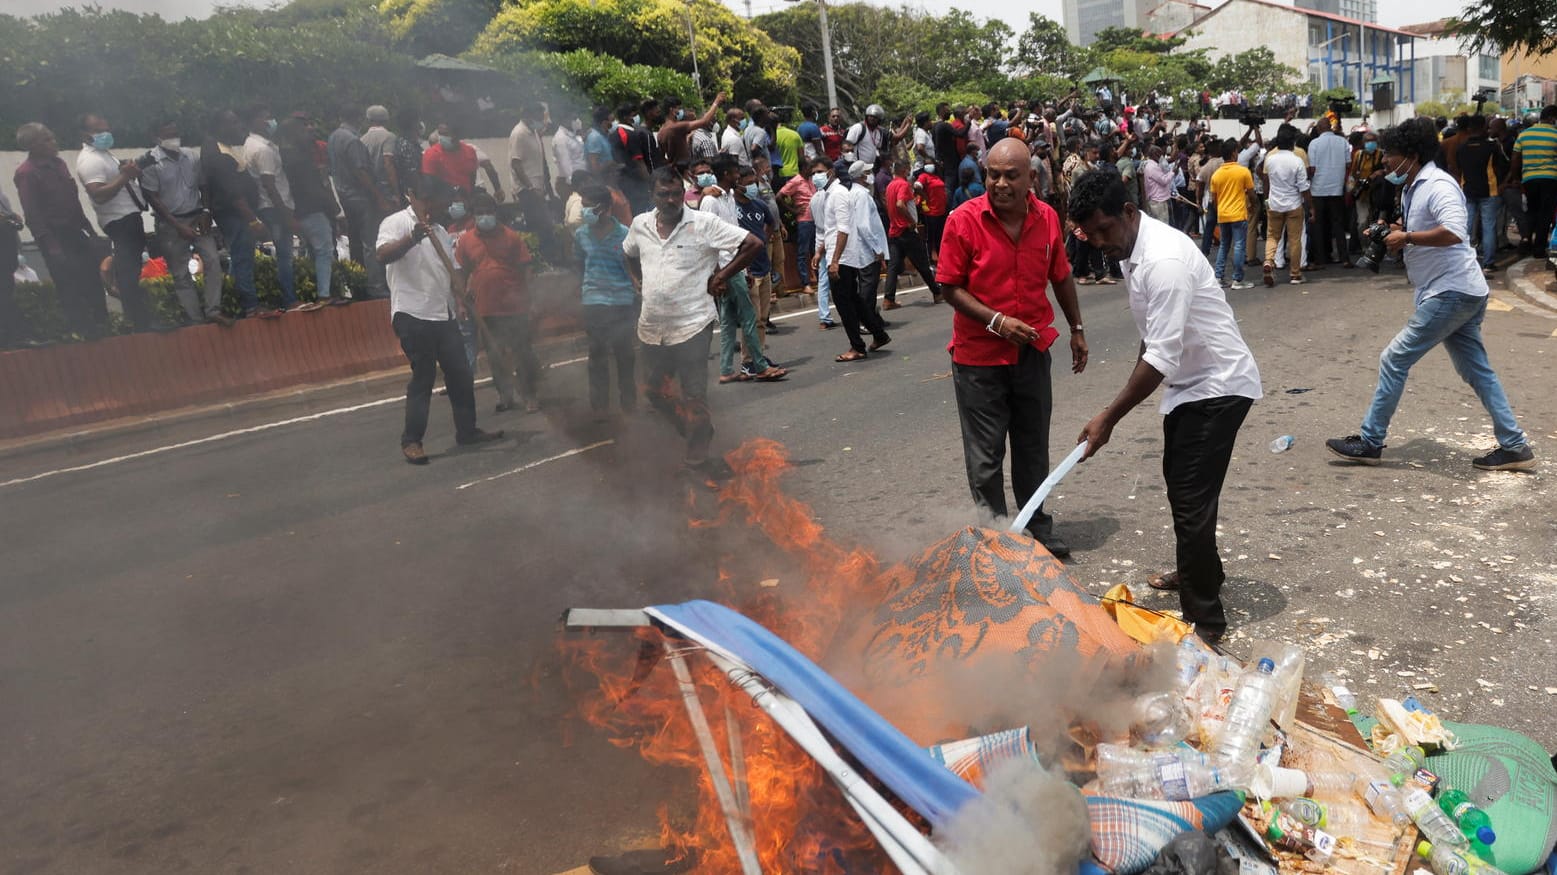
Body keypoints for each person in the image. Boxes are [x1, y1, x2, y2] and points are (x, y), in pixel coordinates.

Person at [1069, 169, 1262, 645]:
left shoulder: (1164, 260)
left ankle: (1206, 623)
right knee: (1183, 487)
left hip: (1217, 385)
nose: (1097, 242)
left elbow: (1160, 354)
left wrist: (1108, 418)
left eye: (1103, 230)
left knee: (1192, 498)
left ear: (1129, 213)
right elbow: (1153, 336)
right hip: (1190, 384)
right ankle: (1201, 574)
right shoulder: (1130, 251)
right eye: (1088, 234)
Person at [1326, 118, 1536, 472]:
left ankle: (1371, 440)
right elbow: (1427, 229)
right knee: (1478, 372)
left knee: (1394, 358)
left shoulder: (1438, 184)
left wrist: (1406, 238)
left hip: (1450, 291)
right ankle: (1514, 445)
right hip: (1459, 289)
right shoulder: (1414, 185)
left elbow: (1454, 231)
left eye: (1390, 154)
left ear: (1410, 154)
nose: (1385, 161)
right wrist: (1393, 231)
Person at [938, 138, 1087, 559]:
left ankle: (1036, 525)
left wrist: (1076, 327)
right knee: (985, 457)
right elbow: (949, 287)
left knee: (1032, 446)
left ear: (1031, 178)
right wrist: (996, 321)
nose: (1000, 184)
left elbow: (1061, 275)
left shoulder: (1047, 219)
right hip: (978, 358)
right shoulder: (963, 220)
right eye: (993, 174)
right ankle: (995, 536)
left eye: (1010, 175)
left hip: (1032, 352)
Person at [623, 165, 763, 474]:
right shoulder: (640, 225)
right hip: (652, 327)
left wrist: (723, 274)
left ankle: (698, 448)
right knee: (653, 391)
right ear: (652, 195)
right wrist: (637, 281)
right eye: (664, 194)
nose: (672, 200)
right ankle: (693, 429)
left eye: (676, 193)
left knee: (693, 393)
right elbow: (628, 253)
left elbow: (753, 243)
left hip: (693, 324)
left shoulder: (703, 223)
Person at [376, 176, 504, 464]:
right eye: (441, 202)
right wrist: (412, 237)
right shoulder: (396, 223)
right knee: (424, 376)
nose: (445, 207)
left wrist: (461, 293)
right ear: (423, 199)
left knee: (460, 372)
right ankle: (412, 441)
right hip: (411, 312)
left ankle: (467, 430)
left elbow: (451, 271)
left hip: (441, 312)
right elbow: (382, 255)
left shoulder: (441, 232)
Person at [14, 123, 106, 338]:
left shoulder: (59, 164)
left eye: (51, 137)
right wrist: (52, 247)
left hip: (77, 232)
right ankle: (83, 333)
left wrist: (89, 230)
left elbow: (72, 202)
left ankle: (103, 327)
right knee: (70, 288)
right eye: (46, 139)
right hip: (55, 238)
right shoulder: (27, 173)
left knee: (92, 281)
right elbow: (33, 214)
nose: (53, 142)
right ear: (33, 145)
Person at [699, 155, 785, 383]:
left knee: (728, 321)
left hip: (736, 264)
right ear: (728, 174)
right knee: (749, 315)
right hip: (726, 266)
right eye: (736, 172)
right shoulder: (711, 200)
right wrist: (720, 273)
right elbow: (708, 238)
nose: (740, 176)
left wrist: (744, 269)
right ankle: (758, 365)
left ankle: (727, 369)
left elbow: (736, 234)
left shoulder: (726, 197)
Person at [456, 191, 541, 414]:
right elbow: (461, 273)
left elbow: (526, 269)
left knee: (523, 352)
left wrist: (530, 300)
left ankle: (530, 394)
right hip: (485, 308)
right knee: (495, 354)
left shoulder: (511, 237)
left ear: (495, 213)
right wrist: (461, 302)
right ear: (473, 215)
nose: (484, 217)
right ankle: (505, 395)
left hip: (515, 306)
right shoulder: (465, 240)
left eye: (488, 212)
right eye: (480, 213)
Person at [139, 118, 230, 327]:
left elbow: (204, 186)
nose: (174, 139)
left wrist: (206, 211)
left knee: (213, 261)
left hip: (198, 217)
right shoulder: (151, 162)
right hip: (170, 223)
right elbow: (153, 198)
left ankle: (213, 311)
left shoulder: (191, 156)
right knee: (180, 274)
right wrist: (177, 225)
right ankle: (195, 320)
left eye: (175, 133)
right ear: (156, 137)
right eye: (168, 135)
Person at [76, 113, 160, 331]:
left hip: (128, 218)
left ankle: (140, 319)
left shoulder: (103, 154)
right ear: (84, 135)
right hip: (118, 221)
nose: (105, 134)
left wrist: (127, 170)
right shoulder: (90, 160)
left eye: (107, 129)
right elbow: (98, 194)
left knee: (133, 271)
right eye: (98, 131)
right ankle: (137, 322)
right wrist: (124, 176)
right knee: (128, 274)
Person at [573, 183, 638, 416]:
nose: (585, 212)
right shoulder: (581, 235)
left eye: (589, 207)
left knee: (624, 353)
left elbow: (633, 267)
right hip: (594, 301)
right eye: (584, 207)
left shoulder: (624, 234)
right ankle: (600, 406)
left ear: (604, 208)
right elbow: (579, 265)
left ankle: (628, 400)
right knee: (597, 354)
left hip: (622, 300)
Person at [245, 105, 311, 313]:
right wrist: (286, 214)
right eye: (266, 117)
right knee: (284, 256)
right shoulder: (262, 149)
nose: (270, 121)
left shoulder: (250, 144)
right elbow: (269, 184)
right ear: (254, 120)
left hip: (268, 207)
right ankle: (290, 300)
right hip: (275, 208)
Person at [824, 159, 891, 362]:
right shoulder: (848, 193)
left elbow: (848, 228)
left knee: (845, 302)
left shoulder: (844, 194)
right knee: (855, 298)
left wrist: (835, 259)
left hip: (847, 254)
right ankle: (878, 333)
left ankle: (857, 346)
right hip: (850, 252)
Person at [279, 117, 347, 306]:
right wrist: (332, 206)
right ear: (293, 134)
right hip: (311, 209)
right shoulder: (300, 159)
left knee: (311, 251)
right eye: (303, 131)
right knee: (325, 250)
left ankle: (316, 290)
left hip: (297, 209)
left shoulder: (284, 155)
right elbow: (313, 187)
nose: (308, 134)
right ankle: (325, 294)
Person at [330, 108, 394, 299]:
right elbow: (361, 172)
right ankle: (376, 286)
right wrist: (379, 197)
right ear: (359, 118)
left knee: (356, 243)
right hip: (360, 197)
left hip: (345, 196)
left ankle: (358, 283)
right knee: (370, 243)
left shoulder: (334, 137)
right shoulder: (352, 140)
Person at [734, 165, 784, 374]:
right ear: (737, 185)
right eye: (747, 184)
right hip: (747, 270)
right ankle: (748, 361)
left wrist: (762, 239)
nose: (752, 186)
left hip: (763, 266)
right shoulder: (731, 208)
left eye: (753, 182)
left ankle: (758, 355)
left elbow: (771, 224)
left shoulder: (759, 205)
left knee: (762, 318)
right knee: (751, 319)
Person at [1259, 125, 1314, 287]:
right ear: (1292, 143)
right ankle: (1295, 274)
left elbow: (1266, 182)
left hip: (1274, 204)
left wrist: (1266, 201)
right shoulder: (1297, 160)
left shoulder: (1270, 159)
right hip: (1294, 205)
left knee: (1272, 236)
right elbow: (1304, 187)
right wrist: (1310, 207)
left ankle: (1269, 261)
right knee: (1295, 239)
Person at [882, 159, 941, 309]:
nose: (909, 173)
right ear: (904, 170)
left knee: (893, 267)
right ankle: (937, 292)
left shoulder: (890, 186)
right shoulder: (902, 184)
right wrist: (911, 221)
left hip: (894, 231)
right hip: (906, 231)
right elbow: (900, 204)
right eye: (908, 170)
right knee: (922, 264)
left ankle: (888, 299)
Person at [1456, 114, 1510, 275]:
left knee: (1466, 227)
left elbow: (1459, 168)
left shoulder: (1462, 148)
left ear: (1469, 129)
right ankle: (1488, 264)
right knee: (1489, 227)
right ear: (1483, 128)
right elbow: (1502, 166)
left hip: (1468, 191)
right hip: (1490, 191)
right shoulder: (1492, 147)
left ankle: (1461, 262)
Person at [508, 102, 558, 258]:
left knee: (541, 225)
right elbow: (516, 163)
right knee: (543, 225)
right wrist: (530, 187)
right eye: (538, 116)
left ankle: (544, 258)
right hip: (527, 190)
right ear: (528, 115)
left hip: (538, 188)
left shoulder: (533, 131)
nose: (540, 120)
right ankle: (544, 259)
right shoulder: (519, 133)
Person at [1508, 105, 1557, 262]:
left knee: (1531, 211)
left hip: (1529, 179)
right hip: (1550, 179)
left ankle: (1526, 240)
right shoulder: (1556, 134)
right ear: (1552, 118)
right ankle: (1539, 249)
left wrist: (1516, 178)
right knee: (1545, 214)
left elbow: (1515, 159)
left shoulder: (1524, 134)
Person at [1208, 139, 1255, 289]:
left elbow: (1214, 199)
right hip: (1238, 214)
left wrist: (1218, 211)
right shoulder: (1243, 171)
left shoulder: (1216, 175)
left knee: (1224, 245)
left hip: (1223, 215)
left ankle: (1219, 276)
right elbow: (1252, 194)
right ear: (1234, 153)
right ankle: (1238, 280)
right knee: (1239, 245)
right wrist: (1253, 205)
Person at [1308, 119, 1352, 266]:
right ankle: (1344, 258)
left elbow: (1312, 168)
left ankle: (1321, 259)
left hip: (1318, 189)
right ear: (1330, 128)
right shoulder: (1343, 142)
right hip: (1337, 188)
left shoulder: (1314, 144)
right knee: (1338, 224)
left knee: (1319, 225)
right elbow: (1347, 164)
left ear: (1319, 129)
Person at [779, 157, 821, 294]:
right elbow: (779, 196)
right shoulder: (796, 181)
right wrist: (793, 210)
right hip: (804, 221)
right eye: (810, 167)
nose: (812, 170)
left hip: (815, 219)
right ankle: (805, 283)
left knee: (816, 251)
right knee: (803, 252)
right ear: (803, 168)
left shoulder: (811, 180)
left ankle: (821, 280)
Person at [808, 161, 838, 330]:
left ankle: (824, 316)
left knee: (823, 280)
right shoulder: (829, 196)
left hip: (820, 237)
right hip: (830, 238)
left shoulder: (814, 199)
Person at [0, 186, 26, 345]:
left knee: (7, 293)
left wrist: (13, 218)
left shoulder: (2, 196)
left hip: (7, 252)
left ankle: (14, 336)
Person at [360, 105, 398, 207]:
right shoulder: (389, 137)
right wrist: (397, 192)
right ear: (386, 120)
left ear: (369, 120)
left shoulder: (362, 139)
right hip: (387, 191)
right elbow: (388, 163)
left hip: (369, 191)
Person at [388, 107, 423, 206]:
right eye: (418, 120)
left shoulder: (404, 142)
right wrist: (421, 197)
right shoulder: (406, 145)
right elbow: (412, 175)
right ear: (413, 123)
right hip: (413, 197)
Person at [1141, 144, 1173, 223]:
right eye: (1160, 154)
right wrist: (1173, 172)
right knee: (1162, 226)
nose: (1161, 157)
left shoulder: (1152, 165)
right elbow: (1164, 180)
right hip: (1158, 201)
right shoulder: (1153, 167)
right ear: (1155, 154)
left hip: (1156, 200)